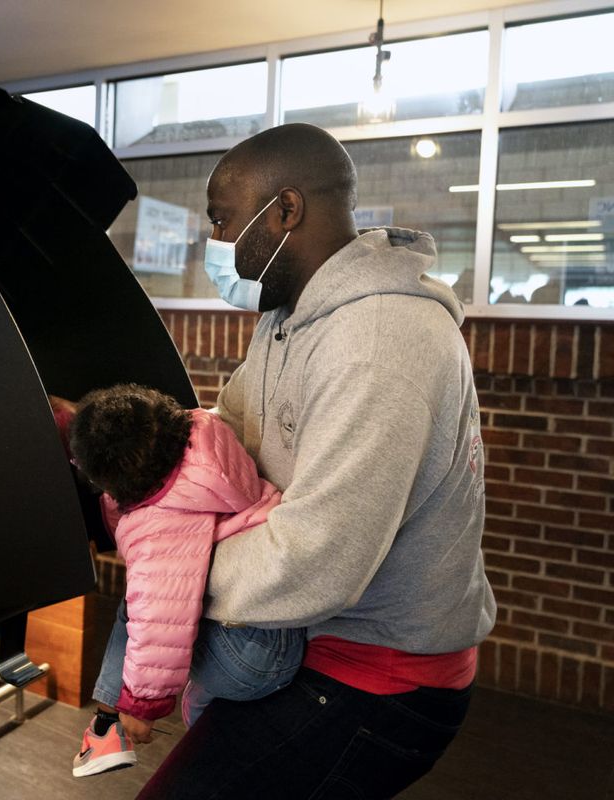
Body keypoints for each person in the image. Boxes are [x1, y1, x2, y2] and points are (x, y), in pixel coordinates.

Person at [136, 123, 496, 799]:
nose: (215, 243)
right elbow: (230, 434)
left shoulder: (381, 336)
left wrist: (167, 566)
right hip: (311, 641)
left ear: (285, 210)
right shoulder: (286, 318)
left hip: (381, 677)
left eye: (222, 220)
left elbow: (318, 563)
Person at [49, 385, 305, 778]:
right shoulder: (201, 431)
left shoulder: (160, 529)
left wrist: (142, 708)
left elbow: (158, 626)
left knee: (138, 610)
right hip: (275, 616)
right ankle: (124, 717)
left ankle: (110, 730)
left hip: (258, 656)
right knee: (152, 607)